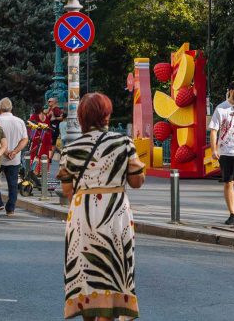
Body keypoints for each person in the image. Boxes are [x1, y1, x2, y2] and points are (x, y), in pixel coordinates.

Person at [56, 92, 145, 320]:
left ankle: (87, 311)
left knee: (86, 271)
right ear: (106, 115)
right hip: (115, 213)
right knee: (113, 268)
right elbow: (136, 182)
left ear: (82, 117)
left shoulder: (70, 148)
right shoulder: (123, 143)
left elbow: (67, 191)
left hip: (82, 215)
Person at [0, 98, 29, 216]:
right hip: (14, 158)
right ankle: (10, 208)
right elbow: (25, 139)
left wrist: (5, 151)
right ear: (11, 108)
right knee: (12, 184)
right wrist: (14, 151)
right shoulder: (19, 121)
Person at [210, 81, 234, 225]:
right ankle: (232, 214)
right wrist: (214, 149)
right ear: (231, 91)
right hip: (226, 153)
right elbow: (214, 130)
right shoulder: (221, 109)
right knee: (229, 183)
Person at [29, 105, 54, 174]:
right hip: (46, 136)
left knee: (35, 153)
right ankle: (44, 171)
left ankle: (35, 171)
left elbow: (31, 126)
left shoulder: (34, 116)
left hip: (37, 137)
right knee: (44, 153)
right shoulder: (47, 117)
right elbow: (49, 128)